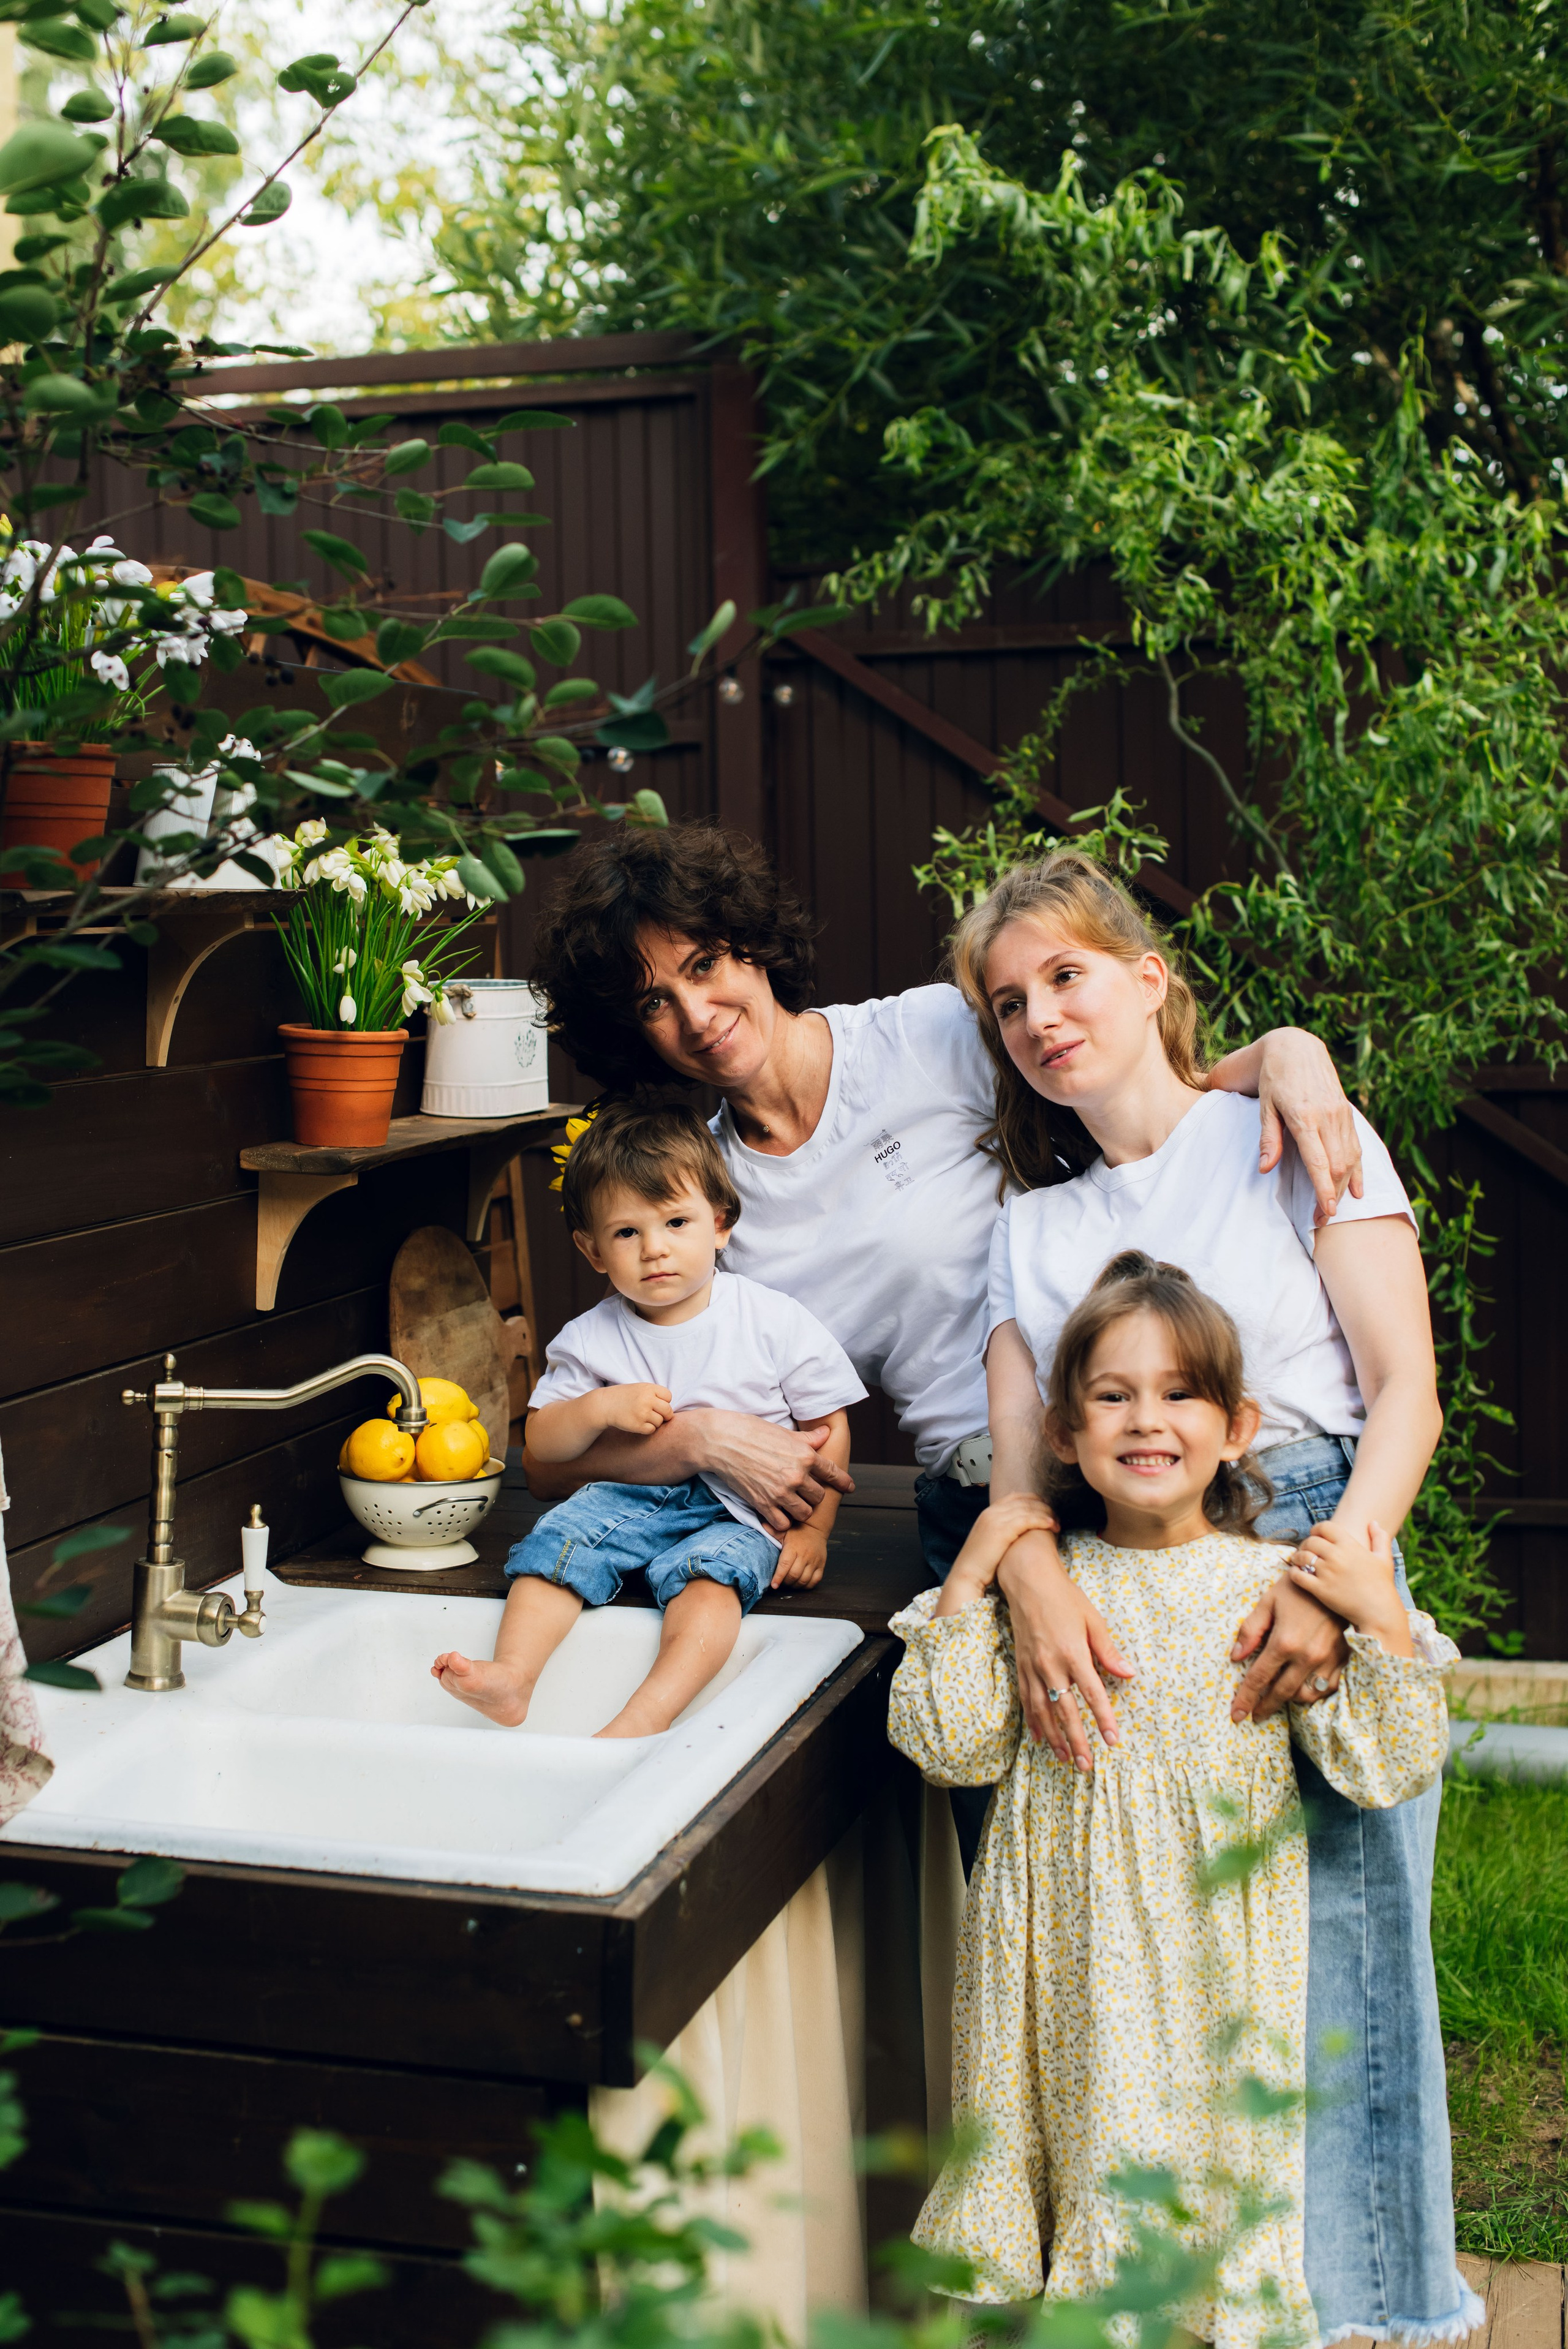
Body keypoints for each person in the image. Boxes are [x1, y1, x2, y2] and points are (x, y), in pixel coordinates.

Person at [525, 826, 1362, 1782]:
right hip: (979, 1500)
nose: (698, 1012)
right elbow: (565, 1457)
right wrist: (702, 1439)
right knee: (1029, 1838)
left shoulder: (927, 1034)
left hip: (1143, 1462)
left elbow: (1122, 1074)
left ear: (751, 943)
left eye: (706, 963)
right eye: (654, 1002)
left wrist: (1287, 1052)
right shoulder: (701, 1197)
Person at [949, 850, 1475, 2343]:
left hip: (1314, 1530)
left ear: (1143, 973)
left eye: (1065, 974)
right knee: (1171, 1979)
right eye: (1007, 1002)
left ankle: (1367, 2309)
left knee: (1343, 1951)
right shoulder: (1030, 1229)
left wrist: (1339, 1578)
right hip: (1123, 1579)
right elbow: (1012, 1480)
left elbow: (1403, 1388)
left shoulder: (1290, 1124)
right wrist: (1035, 1574)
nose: (1041, 1015)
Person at [886, 1254, 1462, 2349]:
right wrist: (974, 1578)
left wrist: (1376, 1616)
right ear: (1064, 1432)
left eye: (1180, 1393)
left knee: (1210, 2204)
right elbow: (950, 1745)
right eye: (1113, 1395)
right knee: (1085, 2181)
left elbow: (1385, 1764)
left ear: (1238, 1426)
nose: (1147, 1420)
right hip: (1059, 1960)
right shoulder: (1038, 1596)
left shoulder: (1275, 1589)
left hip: (1214, 1964)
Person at [431, 1100, 864, 1738]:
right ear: (593, 1250)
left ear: (719, 1225)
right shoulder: (592, 1337)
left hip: (743, 1509)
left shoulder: (770, 1318)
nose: (655, 1249)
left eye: (676, 1222)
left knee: (708, 1582)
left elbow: (828, 1427)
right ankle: (514, 1676)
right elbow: (544, 1443)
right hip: (627, 1499)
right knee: (556, 1544)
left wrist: (815, 1531)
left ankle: (645, 1715)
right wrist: (599, 1407)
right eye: (628, 1233)